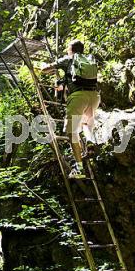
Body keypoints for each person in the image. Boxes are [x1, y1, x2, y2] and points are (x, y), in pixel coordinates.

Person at [42, 40, 100, 179]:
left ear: (71, 49)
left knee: (71, 131)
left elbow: (46, 69)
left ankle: (79, 169)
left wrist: (42, 66)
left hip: (79, 98)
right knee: (85, 124)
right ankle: (90, 141)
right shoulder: (89, 60)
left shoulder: (69, 59)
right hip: (94, 97)